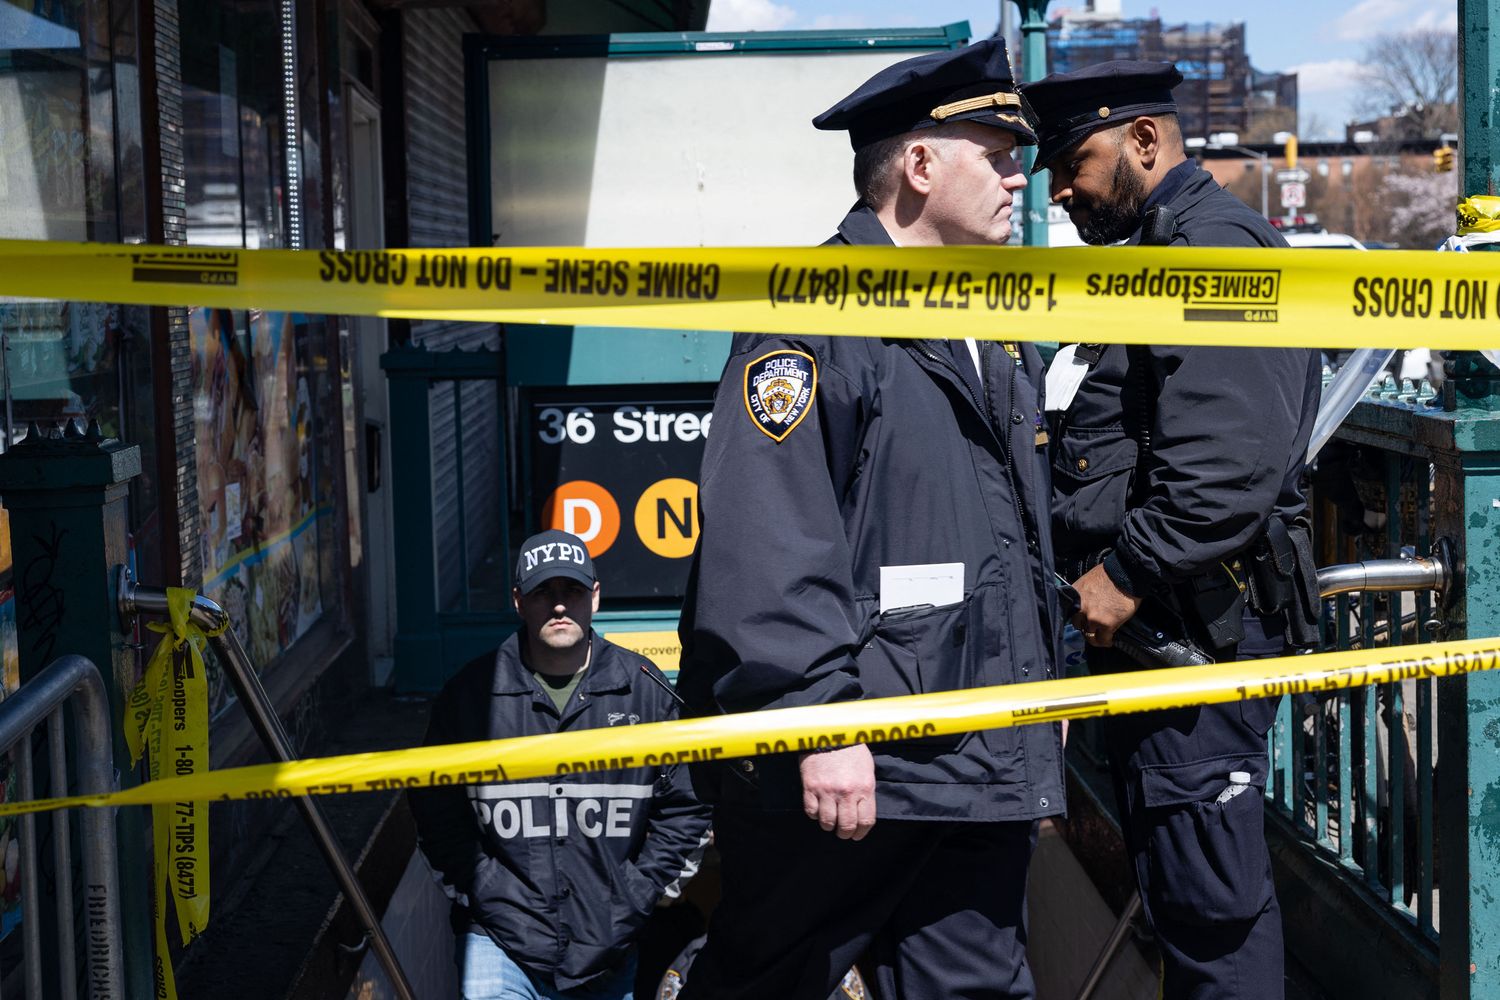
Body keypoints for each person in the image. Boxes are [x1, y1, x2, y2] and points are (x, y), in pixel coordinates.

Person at [676, 39, 1064, 1000]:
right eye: (998, 154)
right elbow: (766, 538)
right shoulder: (812, 315)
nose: (1024, 178)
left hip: (970, 753)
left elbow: (1003, 542)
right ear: (922, 166)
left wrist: (1036, 706)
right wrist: (821, 724)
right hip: (856, 766)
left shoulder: (985, 317)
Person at [1022, 61, 1323, 999]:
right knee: (1186, 901)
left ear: (1144, 143)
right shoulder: (1156, 249)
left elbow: (1226, 466)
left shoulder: (1212, 248)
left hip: (1194, 637)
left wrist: (1125, 575)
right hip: (1163, 643)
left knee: (1213, 916)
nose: (1060, 188)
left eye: (1075, 162)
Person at [411, 529, 711, 1000]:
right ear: (518, 601)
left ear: (594, 596)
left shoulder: (646, 690)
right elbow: (435, 809)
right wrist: (486, 891)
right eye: (542, 592)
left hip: (609, 946)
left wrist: (638, 893)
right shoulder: (469, 696)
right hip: (499, 939)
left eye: (571, 590)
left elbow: (689, 805)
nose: (558, 605)